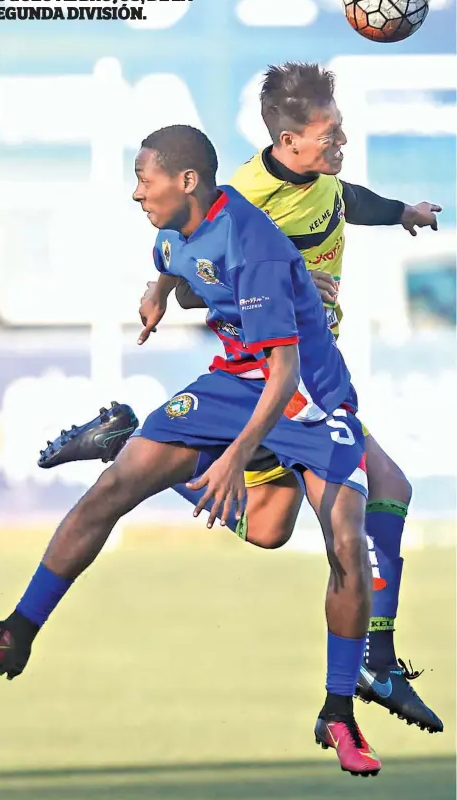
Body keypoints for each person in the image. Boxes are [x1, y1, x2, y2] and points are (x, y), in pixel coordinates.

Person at [0, 125, 380, 777]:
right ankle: (15, 634)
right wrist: (158, 292)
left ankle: (338, 712)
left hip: (308, 397)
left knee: (319, 540)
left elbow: (284, 373)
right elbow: (177, 265)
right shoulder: (171, 229)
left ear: (187, 182)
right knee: (114, 489)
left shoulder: (253, 244)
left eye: (146, 180)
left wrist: (233, 459)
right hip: (235, 381)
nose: (137, 193)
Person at [36, 64, 443, 734]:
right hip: (275, 381)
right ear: (287, 144)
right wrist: (189, 288)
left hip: (310, 376)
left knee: (267, 529)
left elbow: (345, 200)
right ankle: (375, 663)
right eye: (330, 131)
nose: (340, 139)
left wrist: (400, 212)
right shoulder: (248, 197)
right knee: (387, 487)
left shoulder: (317, 182)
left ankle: (122, 445)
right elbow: (197, 262)